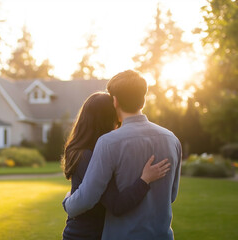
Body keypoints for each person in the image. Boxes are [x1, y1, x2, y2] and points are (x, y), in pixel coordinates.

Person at [63, 70, 182, 240]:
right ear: (144, 99)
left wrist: (67, 201)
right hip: (161, 235)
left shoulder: (107, 143)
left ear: (115, 101)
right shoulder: (172, 139)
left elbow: (87, 198)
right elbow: (171, 195)